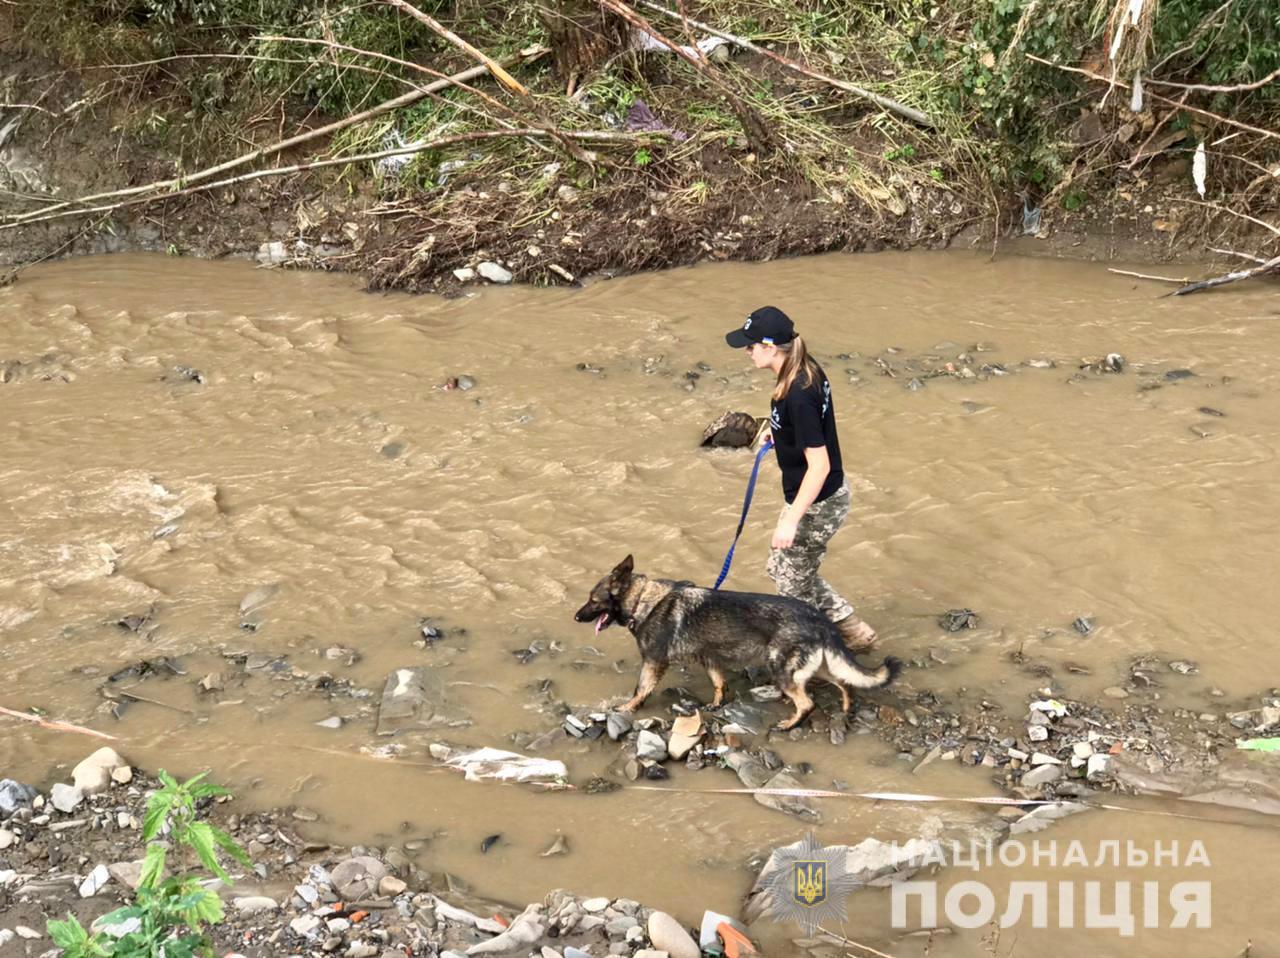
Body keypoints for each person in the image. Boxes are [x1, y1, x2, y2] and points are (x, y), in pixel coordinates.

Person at [724, 305, 878, 650]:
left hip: (818, 501)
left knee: (792, 584)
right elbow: (810, 429)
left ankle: (820, 649)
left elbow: (819, 465)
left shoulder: (799, 393)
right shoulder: (802, 370)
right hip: (811, 496)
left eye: (751, 346)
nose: (747, 353)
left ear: (771, 347)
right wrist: (779, 433)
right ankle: (852, 630)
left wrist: (791, 521)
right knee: (785, 571)